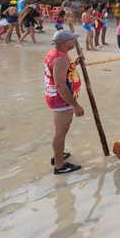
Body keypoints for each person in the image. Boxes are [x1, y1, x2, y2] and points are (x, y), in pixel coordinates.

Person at [44, 30, 85, 174]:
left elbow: (64, 73)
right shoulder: (60, 59)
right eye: (72, 40)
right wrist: (75, 105)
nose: (74, 42)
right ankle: (59, 165)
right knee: (60, 132)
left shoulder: (59, 55)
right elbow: (60, 85)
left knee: (63, 130)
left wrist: (74, 64)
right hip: (60, 99)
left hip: (60, 98)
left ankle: (58, 154)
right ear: (64, 43)